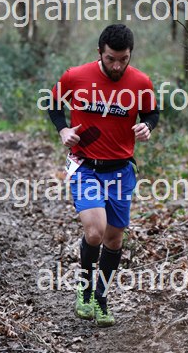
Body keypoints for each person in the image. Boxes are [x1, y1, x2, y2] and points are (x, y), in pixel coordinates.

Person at [47, 24, 158, 327]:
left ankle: (101, 296)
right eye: (111, 59)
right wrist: (63, 130)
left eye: (124, 59)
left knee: (113, 239)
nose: (117, 66)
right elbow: (53, 104)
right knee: (95, 232)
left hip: (121, 170)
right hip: (85, 166)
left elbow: (152, 112)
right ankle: (84, 290)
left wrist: (147, 126)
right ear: (100, 53)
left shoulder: (141, 82)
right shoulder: (76, 76)